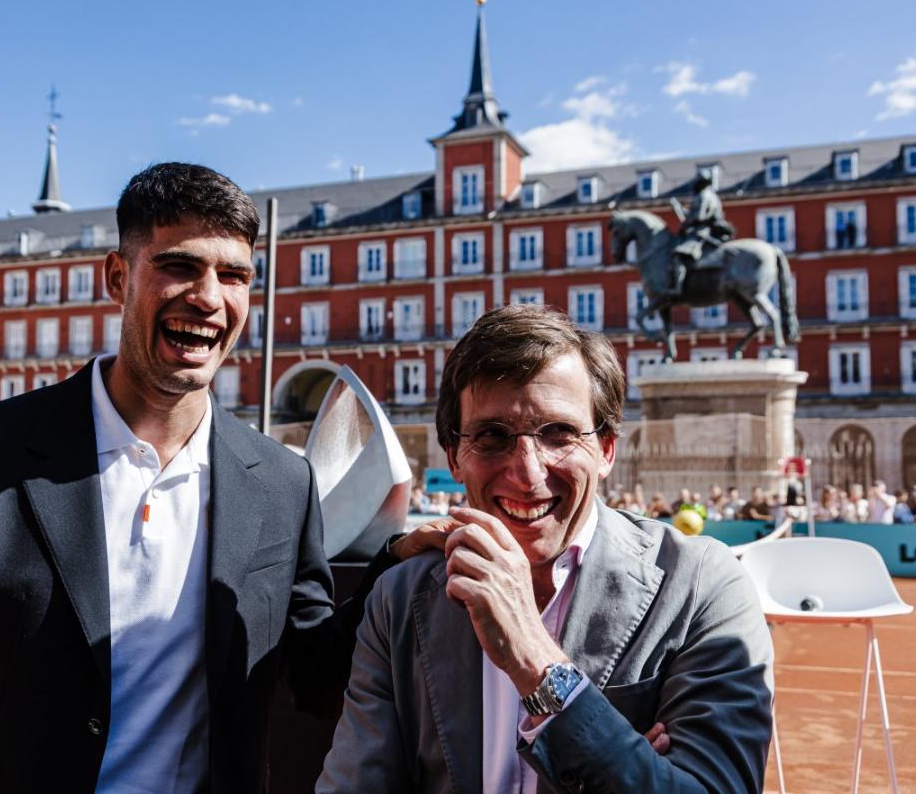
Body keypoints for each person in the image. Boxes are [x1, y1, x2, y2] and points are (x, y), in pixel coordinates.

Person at [0, 163, 439, 793]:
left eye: (234, 275)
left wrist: (395, 565)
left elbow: (315, 673)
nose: (209, 297)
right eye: (181, 266)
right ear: (118, 276)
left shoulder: (283, 484)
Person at [318, 304, 773, 793]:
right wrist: (622, 754)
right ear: (454, 456)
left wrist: (535, 660)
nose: (528, 473)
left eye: (559, 433)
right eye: (492, 436)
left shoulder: (700, 586)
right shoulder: (400, 599)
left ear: (606, 450)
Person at [668, 172, 729, 296]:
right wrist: (680, 209)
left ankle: (678, 288)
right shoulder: (713, 196)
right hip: (711, 230)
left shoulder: (702, 196)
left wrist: (685, 225)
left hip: (701, 232)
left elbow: (698, 216)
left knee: (678, 256)